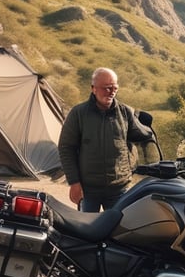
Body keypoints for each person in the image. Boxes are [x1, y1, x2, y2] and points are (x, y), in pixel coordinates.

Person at [58, 67, 155, 212]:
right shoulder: (78, 113)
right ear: (93, 88)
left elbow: (140, 134)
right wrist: (74, 183)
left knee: (118, 231)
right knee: (87, 230)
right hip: (88, 190)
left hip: (119, 189)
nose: (111, 91)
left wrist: (147, 127)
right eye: (106, 88)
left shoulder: (125, 112)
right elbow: (66, 148)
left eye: (115, 87)